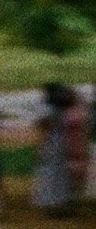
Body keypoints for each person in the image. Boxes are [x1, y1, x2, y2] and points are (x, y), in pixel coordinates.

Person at [33, 82, 77, 214]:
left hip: (50, 143)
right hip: (61, 141)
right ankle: (61, 201)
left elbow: (44, 128)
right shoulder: (60, 107)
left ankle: (50, 203)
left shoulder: (47, 108)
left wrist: (40, 147)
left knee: (49, 173)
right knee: (60, 172)